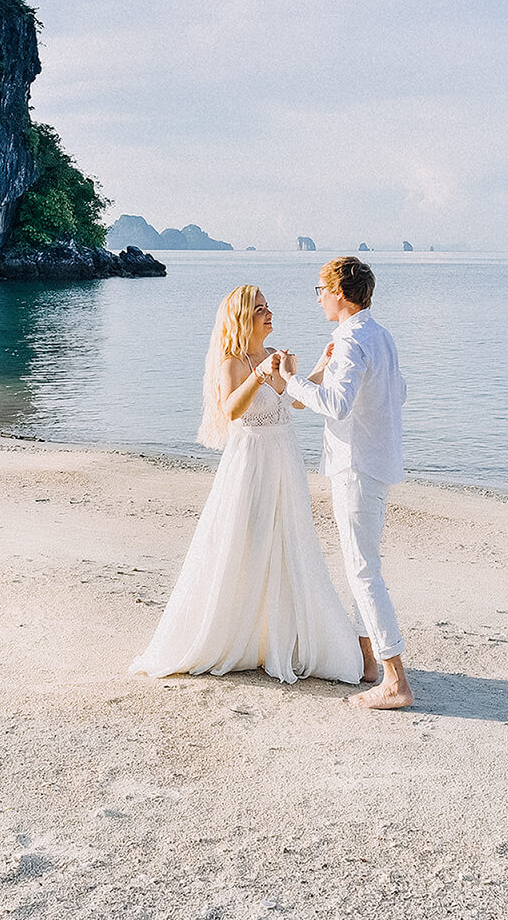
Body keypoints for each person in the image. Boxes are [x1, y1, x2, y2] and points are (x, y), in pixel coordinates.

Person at [130, 285, 363, 685]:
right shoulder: (233, 362)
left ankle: (274, 638)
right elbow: (231, 408)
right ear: (242, 318)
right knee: (246, 542)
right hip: (251, 461)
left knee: (287, 542)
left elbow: (293, 403)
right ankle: (237, 635)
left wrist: (318, 369)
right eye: (260, 310)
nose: (269, 313)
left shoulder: (273, 358)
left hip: (284, 459)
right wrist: (259, 374)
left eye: (269, 307)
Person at [280, 256, 414, 710]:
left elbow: (336, 406)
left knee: (362, 569)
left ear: (338, 291)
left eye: (319, 288)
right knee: (364, 564)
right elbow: (398, 393)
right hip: (376, 460)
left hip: (356, 464)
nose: (317, 297)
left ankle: (394, 679)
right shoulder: (380, 336)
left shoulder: (352, 339)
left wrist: (291, 381)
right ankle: (368, 663)